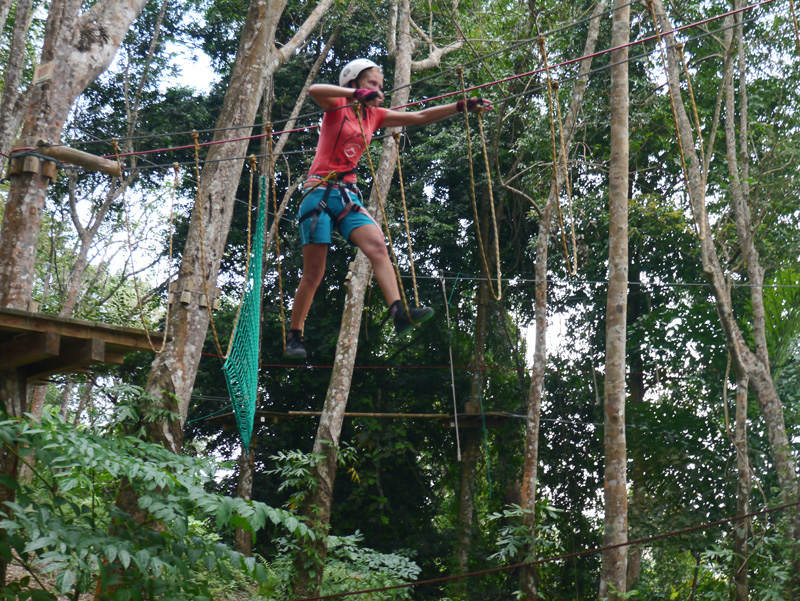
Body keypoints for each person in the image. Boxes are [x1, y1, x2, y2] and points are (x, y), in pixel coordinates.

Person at [285, 58, 492, 359]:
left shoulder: (376, 116)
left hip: (346, 195)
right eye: (372, 84)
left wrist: (462, 106)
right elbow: (315, 90)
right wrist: (356, 96)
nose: (377, 90)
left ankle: (398, 312)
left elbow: (420, 116)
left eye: (380, 86)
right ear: (353, 82)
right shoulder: (338, 106)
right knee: (315, 272)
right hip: (318, 193)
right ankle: (295, 335)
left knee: (379, 247)